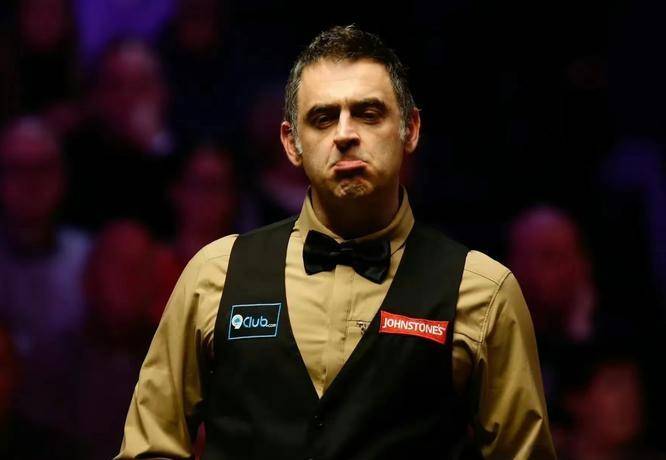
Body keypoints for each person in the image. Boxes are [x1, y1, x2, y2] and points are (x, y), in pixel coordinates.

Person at [116, 25, 555, 459]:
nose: (345, 134)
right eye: (323, 118)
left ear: (410, 129)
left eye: (369, 113)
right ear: (292, 143)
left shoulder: (482, 292)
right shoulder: (215, 274)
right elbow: (150, 449)